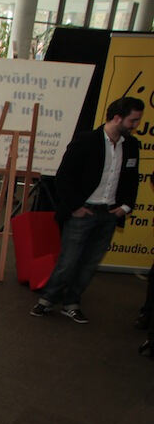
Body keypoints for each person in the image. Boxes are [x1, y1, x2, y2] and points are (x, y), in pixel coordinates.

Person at [30, 97, 144, 324]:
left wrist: (125, 207)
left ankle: (72, 303)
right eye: (133, 120)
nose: (135, 125)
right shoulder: (86, 141)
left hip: (109, 214)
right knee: (69, 260)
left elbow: (132, 179)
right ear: (117, 117)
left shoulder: (131, 146)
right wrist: (75, 207)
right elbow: (64, 176)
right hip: (83, 212)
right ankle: (47, 299)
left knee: (90, 263)